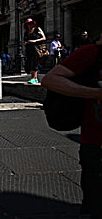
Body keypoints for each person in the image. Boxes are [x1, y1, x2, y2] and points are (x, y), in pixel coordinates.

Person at [41, 33, 102, 218]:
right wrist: (95, 93)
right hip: (96, 141)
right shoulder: (92, 52)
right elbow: (50, 80)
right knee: (96, 201)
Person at [23, 18, 46, 84]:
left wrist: (35, 41)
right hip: (29, 49)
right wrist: (26, 42)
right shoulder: (26, 32)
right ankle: (33, 78)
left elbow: (44, 38)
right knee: (30, 63)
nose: (29, 25)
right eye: (28, 24)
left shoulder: (37, 29)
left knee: (34, 63)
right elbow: (25, 40)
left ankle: (34, 78)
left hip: (36, 49)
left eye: (30, 23)